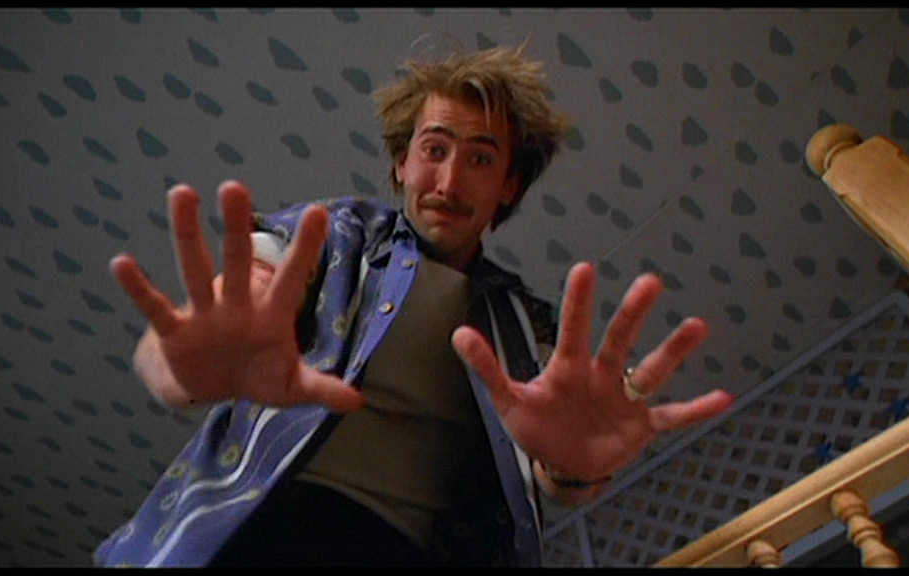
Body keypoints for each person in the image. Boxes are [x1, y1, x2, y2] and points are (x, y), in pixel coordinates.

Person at [95, 43, 733, 567]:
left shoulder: (522, 327)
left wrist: (572, 471)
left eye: (480, 158)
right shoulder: (332, 234)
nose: (449, 182)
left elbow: (552, 459)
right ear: (401, 162)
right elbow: (236, 299)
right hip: (259, 532)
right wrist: (180, 364)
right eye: (434, 149)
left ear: (509, 184)